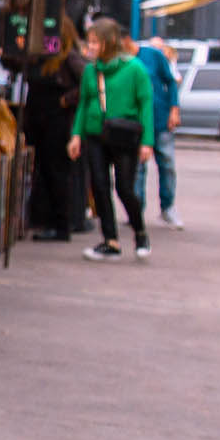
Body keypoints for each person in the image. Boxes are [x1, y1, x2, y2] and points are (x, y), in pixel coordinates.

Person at [69, 19, 153, 261]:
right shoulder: (90, 71)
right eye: (89, 41)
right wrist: (76, 135)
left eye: (95, 42)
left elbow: (145, 104)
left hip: (124, 135)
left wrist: (147, 142)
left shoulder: (134, 68)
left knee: (125, 188)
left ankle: (140, 232)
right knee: (99, 185)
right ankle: (110, 241)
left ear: (109, 42)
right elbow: (84, 103)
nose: (91, 47)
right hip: (95, 134)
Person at [18, 17, 85, 240]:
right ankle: (48, 220)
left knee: (57, 172)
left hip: (57, 124)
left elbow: (89, 82)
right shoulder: (43, 56)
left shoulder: (68, 57)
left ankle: (60, 224)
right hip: (41, 122)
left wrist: (67, 100)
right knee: (45, 171)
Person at [136, 37, 183, 230]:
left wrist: (174, 109)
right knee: (137, 167)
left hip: (160, 119)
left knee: (167, 163)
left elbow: (171, 82)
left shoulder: (154, 57)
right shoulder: (123, 59)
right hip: (138, 122)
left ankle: (168, 207)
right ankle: (136, 210)